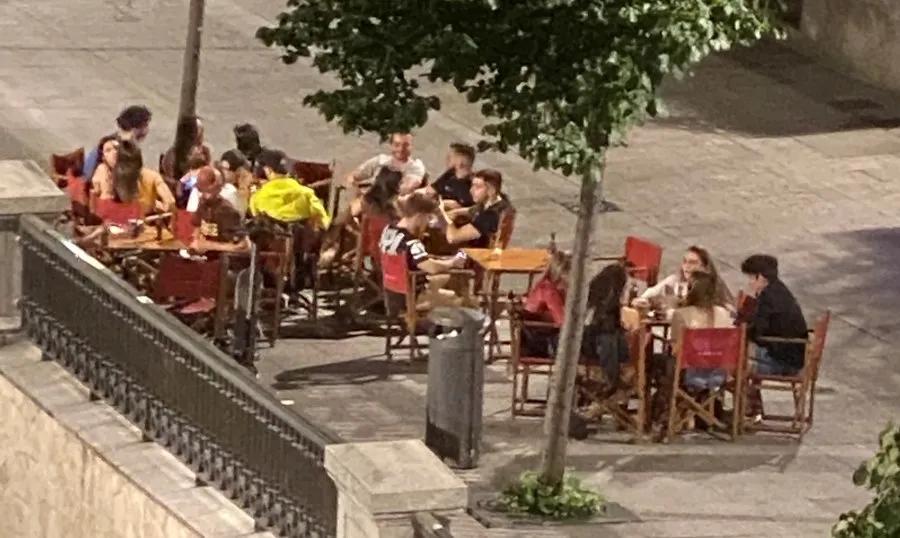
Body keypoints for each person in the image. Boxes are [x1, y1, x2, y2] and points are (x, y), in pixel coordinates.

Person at [379, 193, 467, 309]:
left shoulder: (388, 230)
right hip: (412, 296)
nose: (427, 224)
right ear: (419, 216)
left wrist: (442, 259)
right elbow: (431, 267)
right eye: (428, 218)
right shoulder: (411, 241)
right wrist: (453, 262)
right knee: (461, 299)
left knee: (450, 279)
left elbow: (411, 259)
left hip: (392, 292)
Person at [738, 254, 808, 376]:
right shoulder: (778, 289)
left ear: (760, 277)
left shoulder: (768, 298)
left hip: (782, 362)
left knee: (735, 361)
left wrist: (741, 327)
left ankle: (741, 387)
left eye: (751, 277)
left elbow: (757, 332)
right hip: (794, 355)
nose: (749, 282)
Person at [669, 271, 735, 389]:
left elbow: (676, 350)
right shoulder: (724, 314)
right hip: (719, 374)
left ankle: (673, 398)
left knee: (660, 361)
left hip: (691, 372)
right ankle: (709, 398)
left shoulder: (681, 314)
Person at [248, 149, 330, 229]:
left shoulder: (256, 200)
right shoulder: (306, 194)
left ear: (268, 171)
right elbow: (324, 223)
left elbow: (256, 221)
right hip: (307, 235)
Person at [91, 139, 174, 215]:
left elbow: (170, 202)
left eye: (116, 149)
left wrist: (154, 206)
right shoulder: (104, 173)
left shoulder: (151, 177)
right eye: (108, 150)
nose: (114, 153)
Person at [635, 245, 734, 308]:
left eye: (693, 262)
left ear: (704, 266)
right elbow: (652, 292)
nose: (687, 266)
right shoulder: (676, 279)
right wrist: (642, 300)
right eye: (685, 261)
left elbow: (729, 308)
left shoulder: (715, 285)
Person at [442, 169, 513, 248]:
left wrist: (449, 220)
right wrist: (454, 212)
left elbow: (453, 238)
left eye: (477, 187)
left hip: (477, 252)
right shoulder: (496, 199)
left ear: (491, 190)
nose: (471, 190)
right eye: (472, 185)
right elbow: (473, 210)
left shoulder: (491, 215)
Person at [83, 105, 152, 182]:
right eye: (146, 125)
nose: (147, 130)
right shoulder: (125, 149)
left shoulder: (109, 140)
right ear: (136, 128)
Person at [191, 167, 249, 253]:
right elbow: (197, 226)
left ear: (218, 189)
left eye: (209, 191)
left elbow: (242, 245)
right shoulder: (202, 203)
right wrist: (196, 241)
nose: (205, 195)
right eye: (202, 190)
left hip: (225, 257)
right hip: (205, 255)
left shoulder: (227, 211)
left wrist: (207, 245)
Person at [161, 116, 211, 181]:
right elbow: (170, 176)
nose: (198, 131)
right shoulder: (174, 152)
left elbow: (208, 172)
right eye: (195, 128)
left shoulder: (204, 150)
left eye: (200, 128)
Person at [427, 143, 475, 210]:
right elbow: (432, 189)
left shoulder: (473, 184)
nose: (446, 159)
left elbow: (469, 209)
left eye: (450, 158)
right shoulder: (449, 174)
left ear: (460, 162)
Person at [217, 149, 255, 214]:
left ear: (238, 171)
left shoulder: (247, 184)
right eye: (221, 168)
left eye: (225, 169)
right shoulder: (224, 180)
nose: (222, 172)